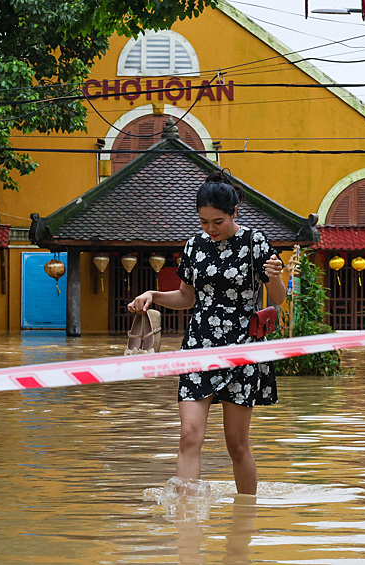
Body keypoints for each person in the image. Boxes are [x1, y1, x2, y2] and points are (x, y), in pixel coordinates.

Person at [128, 172, 286, 495]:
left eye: (218, 222)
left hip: (243, 349)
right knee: (189, 435)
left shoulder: (255, 243)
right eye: (203, 222)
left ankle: (245, 524)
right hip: (199, 346)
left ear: (234, 213)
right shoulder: (193, 246)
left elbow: (279, 298)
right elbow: (187, 297)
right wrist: (153, 295)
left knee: (237, 445)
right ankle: (187, 525)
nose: (210, 229)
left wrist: (275, 277)